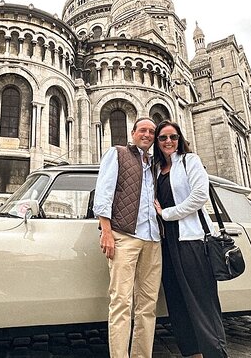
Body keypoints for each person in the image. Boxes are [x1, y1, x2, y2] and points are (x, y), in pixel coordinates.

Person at [152, 120, 228, 358]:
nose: (168, 142)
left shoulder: (189, 161)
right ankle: (192, 354)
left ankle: (215, 353)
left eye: (172, 137)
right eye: (163, 138)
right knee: (177, 303)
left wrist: (167, 214)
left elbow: (199, 197)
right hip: (166, 242)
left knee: (202, 302)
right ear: (157, 142)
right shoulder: (155, 169)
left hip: (191, 239)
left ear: (179, 138)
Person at [93, 117, 162, 358]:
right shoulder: (118, 153)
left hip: (153, 239)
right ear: (133, 133)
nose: (147, 134)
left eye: (152, 132)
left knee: (147, 306)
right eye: (142, 130)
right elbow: (104, 190)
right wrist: (106, 231)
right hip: (125, 236)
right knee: (121, 302)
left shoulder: (155, 164)